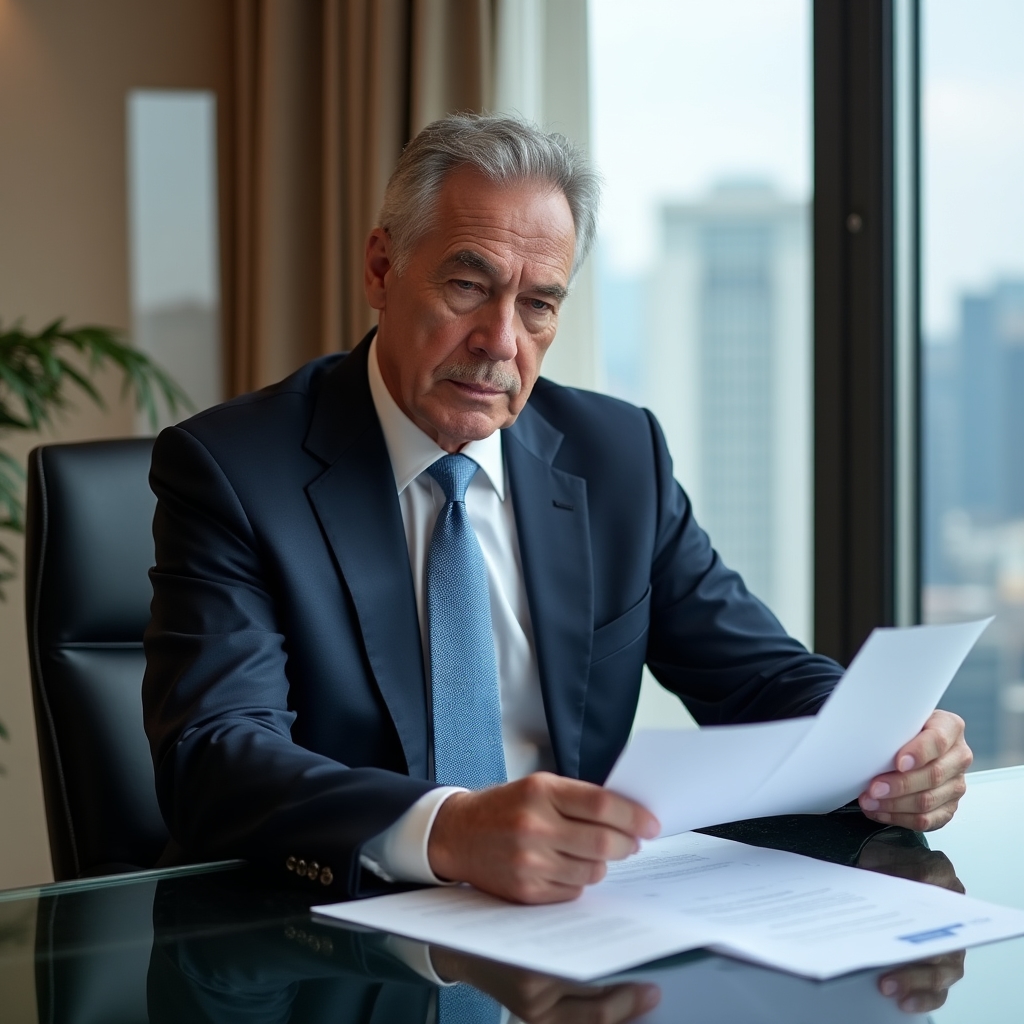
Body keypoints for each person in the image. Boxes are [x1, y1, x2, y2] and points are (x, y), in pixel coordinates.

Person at [143, 114, 972, 905]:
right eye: (469, 286)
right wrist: (449, 830)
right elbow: (217, 756)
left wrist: (892, 747)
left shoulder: (617, 457)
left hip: (576, 932)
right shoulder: (235, 472)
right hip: (317, 944)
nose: (501, 340)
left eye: (538, 303)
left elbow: (758, 676)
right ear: (381, 269)